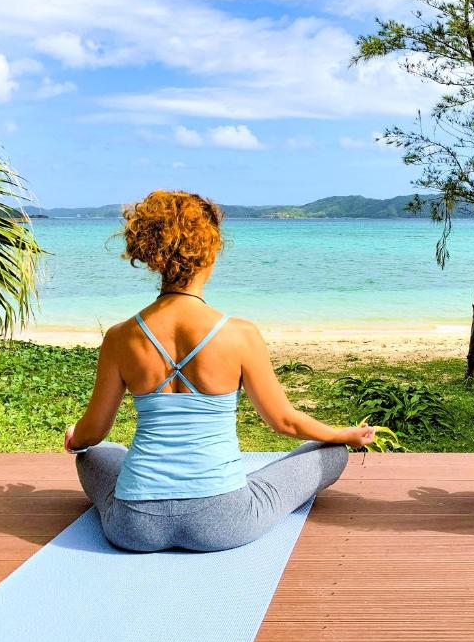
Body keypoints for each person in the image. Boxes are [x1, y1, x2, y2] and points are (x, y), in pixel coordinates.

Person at [65, 190, 374, 552]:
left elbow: (94, 432)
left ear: (152, 256)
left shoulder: (121, 337)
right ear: (210, 253)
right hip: (225, 521)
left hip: (134, 526)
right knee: (331, 453)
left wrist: (75, 437)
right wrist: (343, 435)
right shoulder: (238, 334)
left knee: (92, 455)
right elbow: (285, 422)